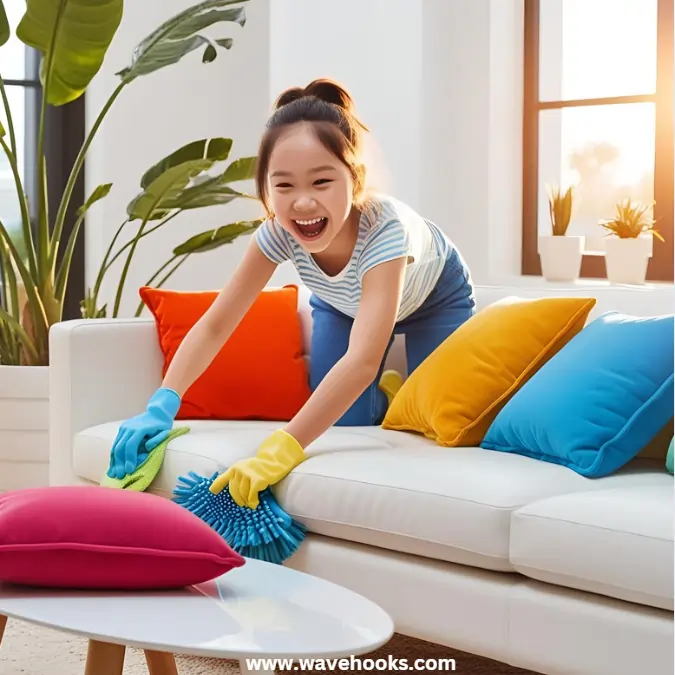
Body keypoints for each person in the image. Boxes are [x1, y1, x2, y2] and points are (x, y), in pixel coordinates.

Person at [106, 78, 476, 509]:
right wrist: (162, 404)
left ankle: (405, 396)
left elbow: (361, 361)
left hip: (435, 297)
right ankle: (389, 397)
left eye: (321, 182)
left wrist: (282, 446)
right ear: (265, 188)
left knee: (443, 422)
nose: (302, 202)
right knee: (348, 421)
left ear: (354, 180)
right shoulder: (277, 234)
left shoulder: (384, 232)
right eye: (283, 186)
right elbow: (217, 324)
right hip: (343, 304)